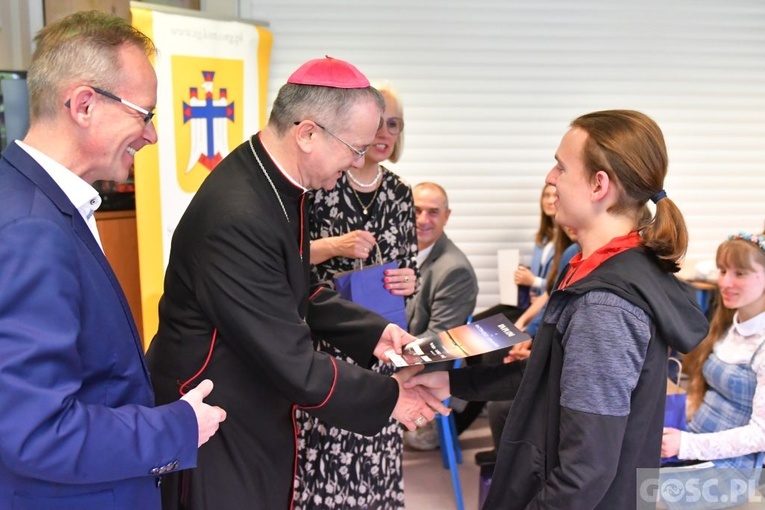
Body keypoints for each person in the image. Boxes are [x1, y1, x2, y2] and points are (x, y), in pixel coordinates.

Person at [145, 56, 448, 510]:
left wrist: (374, 331)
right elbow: (290, 357)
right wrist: (391, 397)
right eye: (354, 147)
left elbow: (292, 288)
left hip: (248, 401)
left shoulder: (277, 184)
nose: (357, 162)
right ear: (307, 133)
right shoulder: (240, 214)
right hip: (214, 414)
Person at [405, 109, 709, 508]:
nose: (550, 178)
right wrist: (453, 384)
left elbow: (587, 471)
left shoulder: (605, 306)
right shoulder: (589, 266)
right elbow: (548, 375)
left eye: (561, 167)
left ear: (599, 185)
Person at [0, 11, 226, 510]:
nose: (152, 135)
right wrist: (178, 426)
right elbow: (37, 431)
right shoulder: (32, 229)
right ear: (84, 105)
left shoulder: (32, 200)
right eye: (144, 114)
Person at [294, 84, 417, 508]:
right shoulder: (322, 181)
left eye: (394, 123)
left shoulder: (401, 193)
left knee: (379, 437)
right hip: (327, 340)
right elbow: (283, 259)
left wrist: (409, 281)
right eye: (376, 122)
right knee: (327, 450)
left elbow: (409, 266)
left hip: (381, 341)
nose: (384, 132)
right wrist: (336, 246)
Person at [661, 233, 765, 476]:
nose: (725, 283)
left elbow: (761, 435)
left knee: (639, 494)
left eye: (740, 274)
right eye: (722, 271)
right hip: (695, 446)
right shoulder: (730, 324)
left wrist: (686, 444)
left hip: (730, 471)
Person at [403, 181, 479, 451]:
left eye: (433, 212)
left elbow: (439, 343)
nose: (423, 220)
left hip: (426, 366)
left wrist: (383, 352)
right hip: (403, 351)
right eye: (416, 210)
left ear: (447, 216)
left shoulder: (453, 270)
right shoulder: (404, 251)